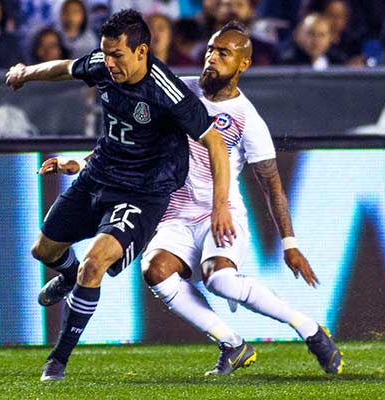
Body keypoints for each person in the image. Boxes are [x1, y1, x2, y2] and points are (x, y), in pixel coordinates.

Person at [5, 9, 235, 381]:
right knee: (43, 251)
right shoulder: (102, 64)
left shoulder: (166, 90)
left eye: (117, 55)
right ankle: (66, 277)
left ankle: (57, 360)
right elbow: (65, 67)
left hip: (143, 192)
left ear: (142, 51)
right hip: (100, 174)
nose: (108, 63)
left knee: (93, 264)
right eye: (105, 53)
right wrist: (24, 73)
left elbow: (216, 143)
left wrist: (220, 206)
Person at [141, 21, 344, 376]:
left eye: (224, 53)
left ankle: (309, 330)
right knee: (155, 271)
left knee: (220, 281)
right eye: (209, 50)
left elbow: (272, 184)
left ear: (243, 64)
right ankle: (232, 344)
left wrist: (290, 243)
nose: (212, 58)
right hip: (174, 216)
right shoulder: (179, 94)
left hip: (220, 214)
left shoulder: (247, 118)